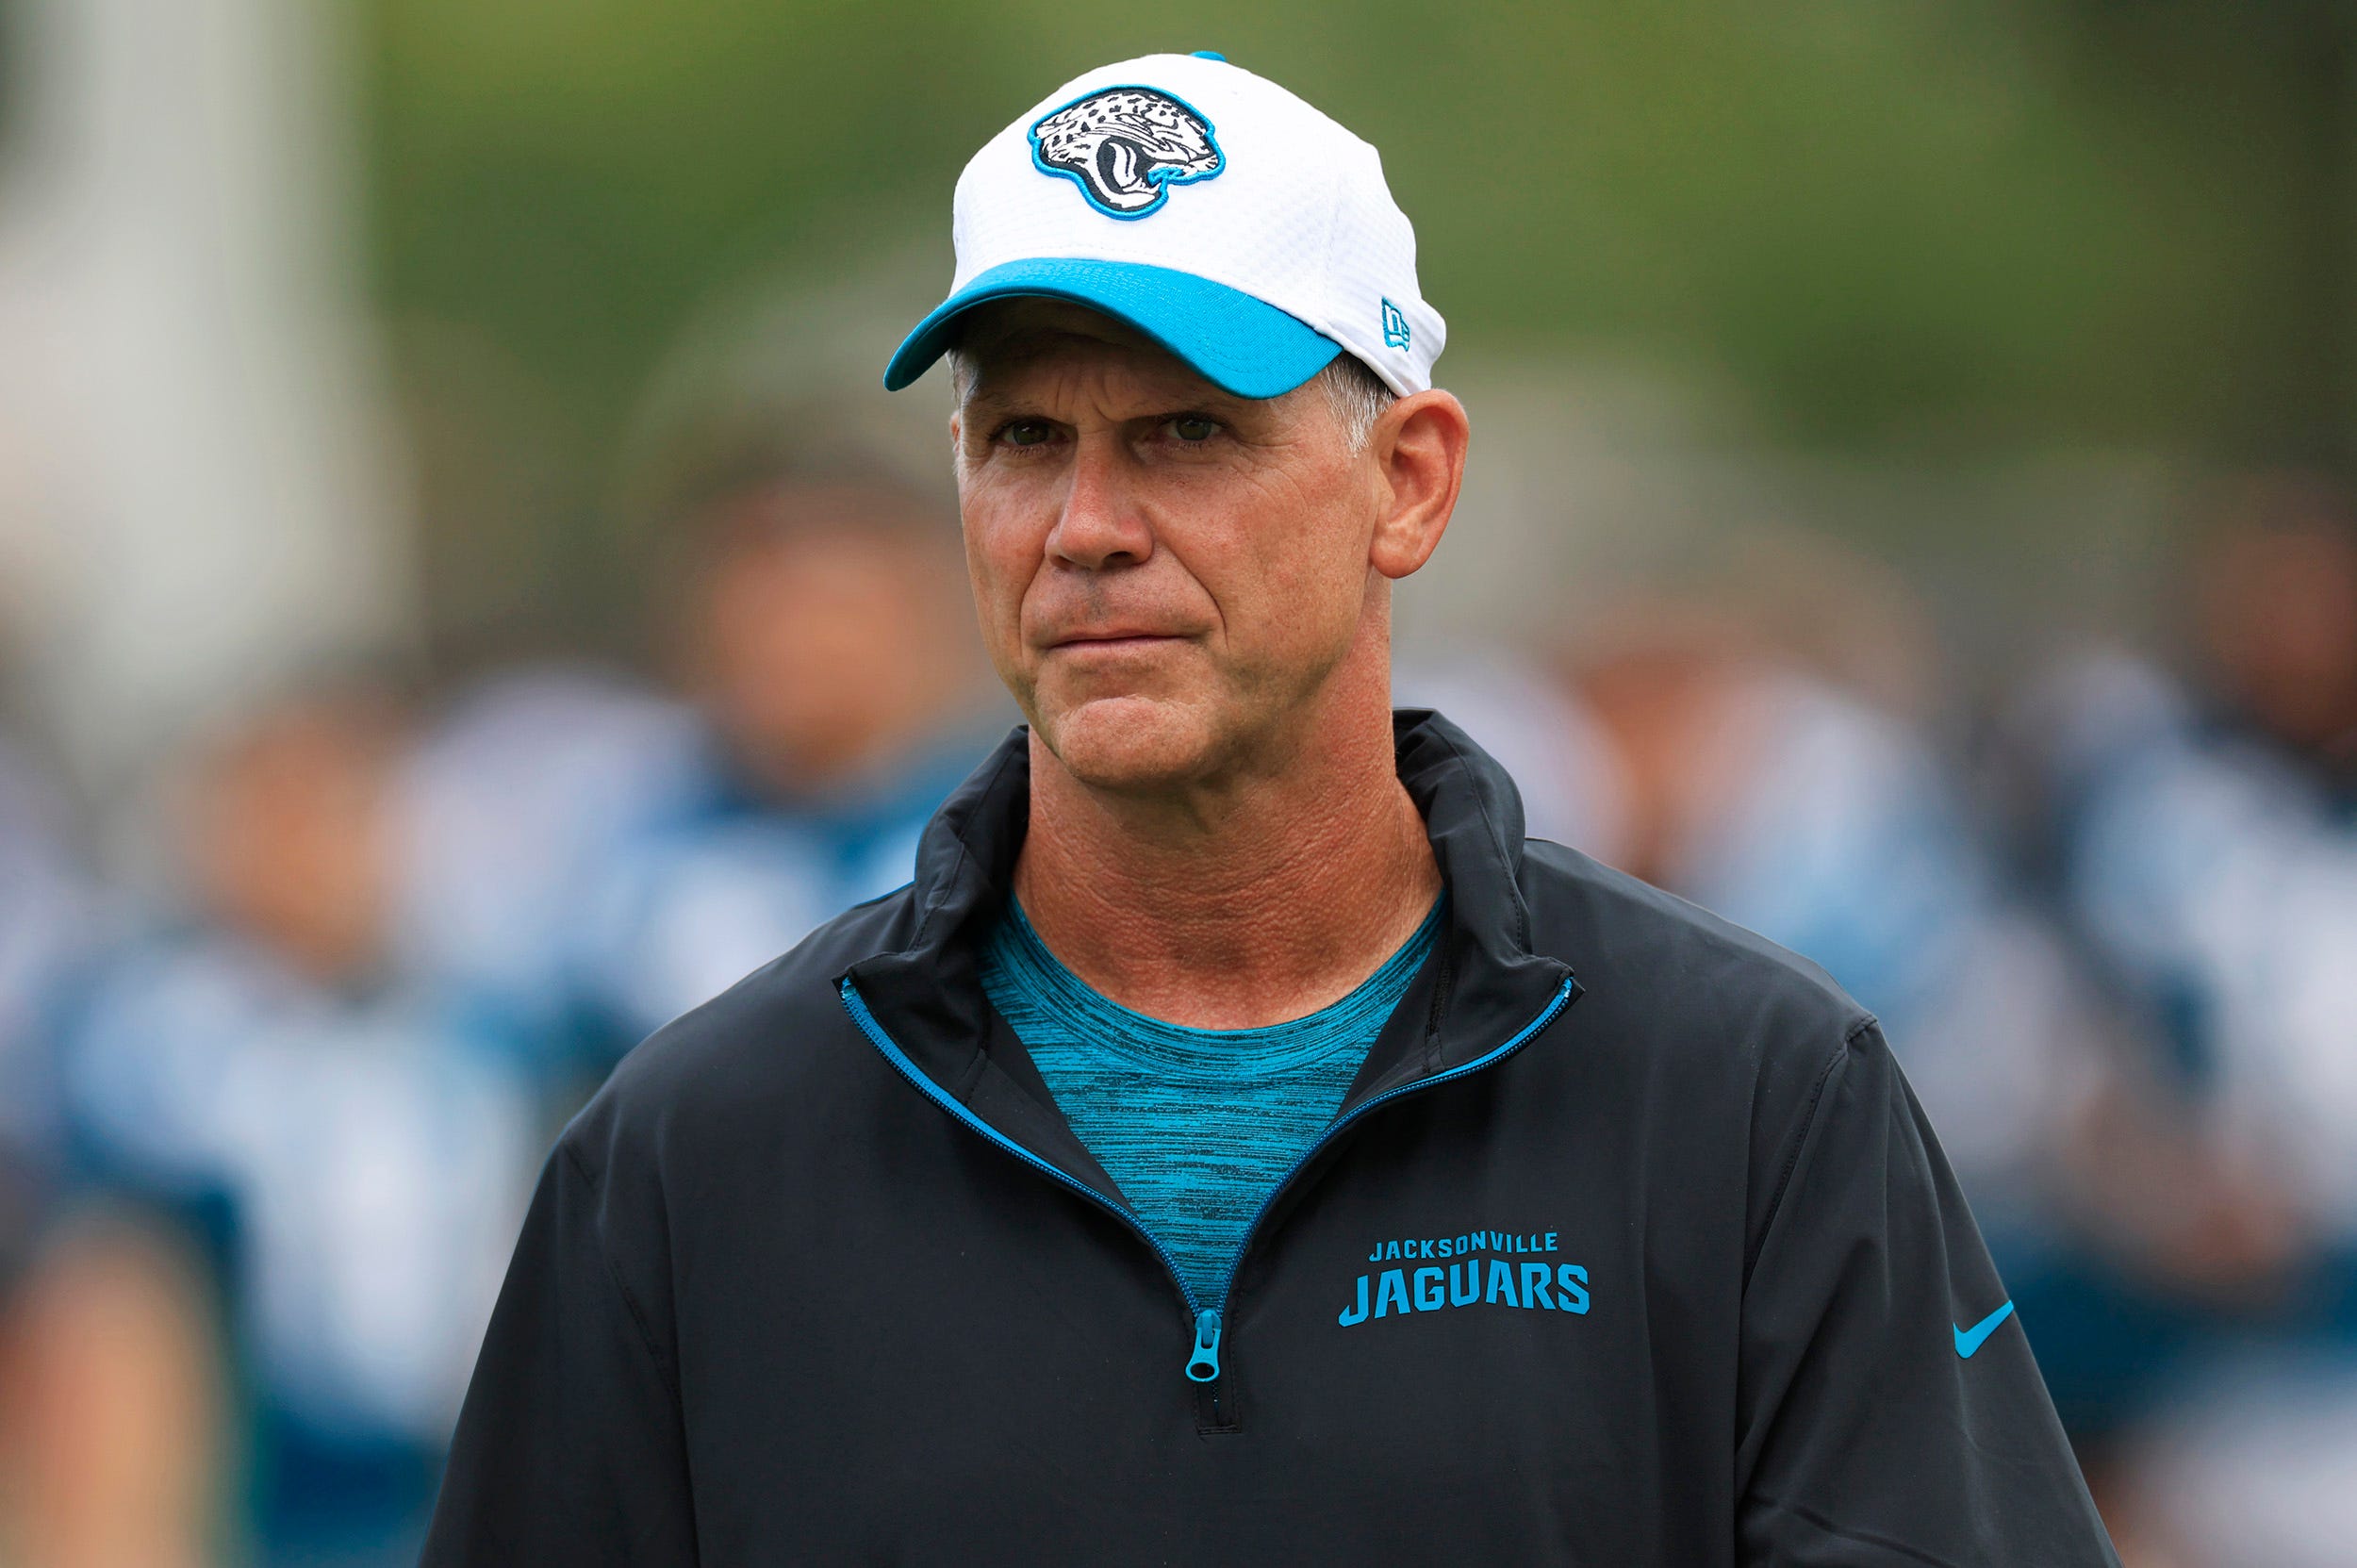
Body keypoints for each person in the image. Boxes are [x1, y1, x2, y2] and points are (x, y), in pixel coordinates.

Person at [424, 53, 2118, 1564]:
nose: (1084, 525)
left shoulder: (1744, 1102)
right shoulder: (695, 1155)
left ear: (1409, 480)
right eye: (1022, 437)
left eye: (1183, 432)